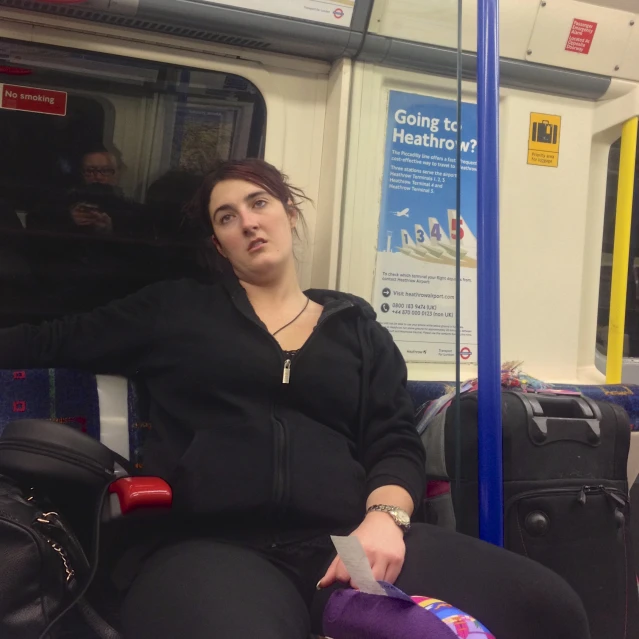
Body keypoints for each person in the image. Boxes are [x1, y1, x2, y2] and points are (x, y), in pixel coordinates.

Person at [0, 159, 590, 639]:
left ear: (289, 213)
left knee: (546, 607)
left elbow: (393, 439)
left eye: (259, 203)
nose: (248, 223)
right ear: (218, 243)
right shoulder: (173, 310)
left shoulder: (357, 329)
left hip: (344, 544)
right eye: (227, 217)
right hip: (210, 546)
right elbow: (51, 338)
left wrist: (383, 520)